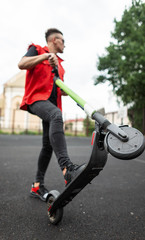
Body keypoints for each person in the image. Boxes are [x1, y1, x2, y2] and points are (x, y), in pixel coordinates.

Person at [18, 28, 85, 202]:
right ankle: (66, 168)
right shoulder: (37, 50)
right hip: (36, 100)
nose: (65, 44)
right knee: (56, 115)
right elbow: (22, 63)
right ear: (54, 40)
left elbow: (57, 87)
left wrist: (66, 91)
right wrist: (45, 57)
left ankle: (37, 185)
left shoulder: (60, 66)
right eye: (63, 40)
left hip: (52, 105)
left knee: (48, 146)